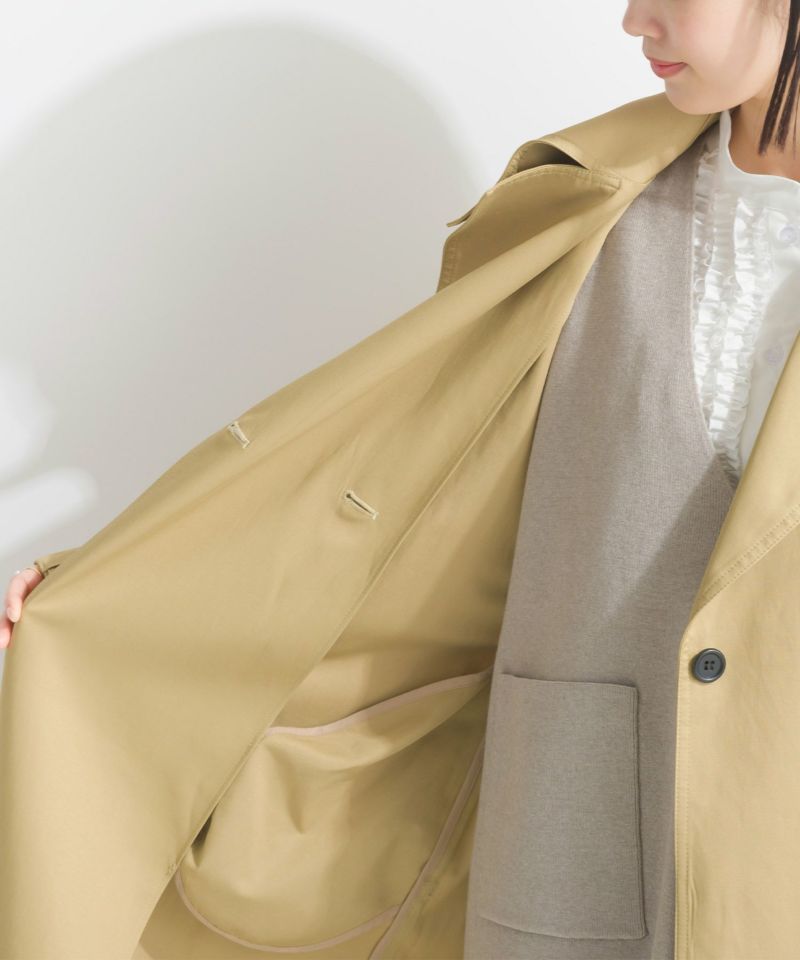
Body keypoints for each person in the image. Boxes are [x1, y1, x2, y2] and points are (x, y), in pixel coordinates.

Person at [2, 2, 799, 957]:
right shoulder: (585, 213)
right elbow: (400, 510)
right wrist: (122, 596)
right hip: (576, 847)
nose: (634, 19)